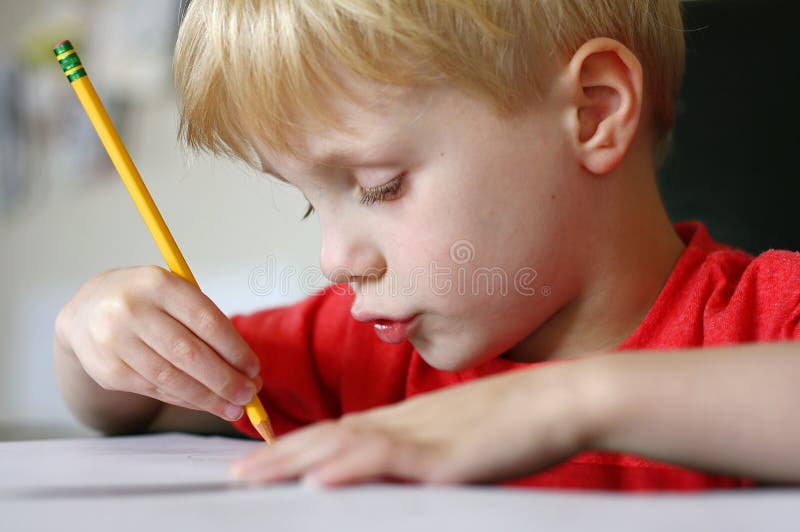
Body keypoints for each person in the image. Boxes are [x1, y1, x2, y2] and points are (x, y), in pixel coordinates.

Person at [54, 0, 800, 491]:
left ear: (592, 113)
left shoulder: (766, 320)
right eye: (309, 204)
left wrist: (566, 403)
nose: (336, 260)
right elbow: (139, 407)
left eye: (379, 186)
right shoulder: (361, 352)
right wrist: (94, 336)